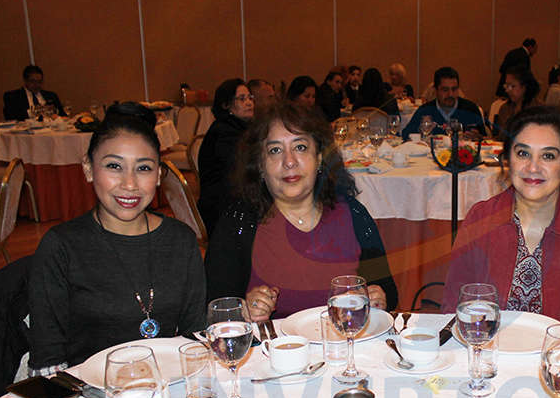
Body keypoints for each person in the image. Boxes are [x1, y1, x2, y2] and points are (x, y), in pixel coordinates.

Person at [28, 102, 206, 371]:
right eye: (114, 166)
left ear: (159, 175)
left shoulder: (181, 240)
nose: (130, 184)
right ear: (88, 169)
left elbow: (195, 339)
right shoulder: (61, 246)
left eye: (144, 168)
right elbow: (48, 361)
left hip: (170, 389)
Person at [204, 102, 398, 320]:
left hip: (343, 348)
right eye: (275, 150)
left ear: (320, 158)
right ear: (260, 165)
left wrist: (378, 298)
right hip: (270, 351)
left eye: (300, 147)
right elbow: (212, 309)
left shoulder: (353, 214)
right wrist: (243, 310)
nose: (289, 162)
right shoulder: (238, 223)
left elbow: (387, 290)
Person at [442, 106, 560, 336]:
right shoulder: (481, 219)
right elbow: (455, 304)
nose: (533, 167)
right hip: (487, 356)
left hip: (558, 362)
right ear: (508, 160)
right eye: (523, 153)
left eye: (548, 156)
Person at [197, 78, 254, 235]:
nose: (249, 102)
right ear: (226, 105)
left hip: (233, 197)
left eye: (250, 98)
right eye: (242, 99)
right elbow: (239, 170)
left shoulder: (240, 127)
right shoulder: (224, 132)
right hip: (221, 208)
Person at [401, 67, 486, 140]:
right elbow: (405, 136)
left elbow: (486, 139)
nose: (450, 94)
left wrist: (479, 138)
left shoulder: (471, 110)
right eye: (445, 90)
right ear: (435, 90)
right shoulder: (425, 111)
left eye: (454, 89)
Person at [494, 66, 542, 137]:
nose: (508, 90)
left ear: (524, 87)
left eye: (512, 86)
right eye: (506, 86)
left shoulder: (538, 109)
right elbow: (500, 138)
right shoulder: (504, 108)